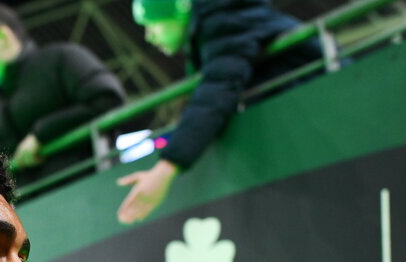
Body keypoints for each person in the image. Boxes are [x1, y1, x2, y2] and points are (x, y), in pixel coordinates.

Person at [117, 0, 325, 223]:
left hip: (319, 100)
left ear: (179, 11)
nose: (149, 36)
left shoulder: (223, 21)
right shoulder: (215, 28)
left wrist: (166, 169)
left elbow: (217, 91)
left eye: (152, 25)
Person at [0, 3, 126, 183]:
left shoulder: (62, 58)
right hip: (28, 206)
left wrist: (42, 134)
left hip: (90, 186)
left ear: (2, 36)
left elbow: (108, 98)